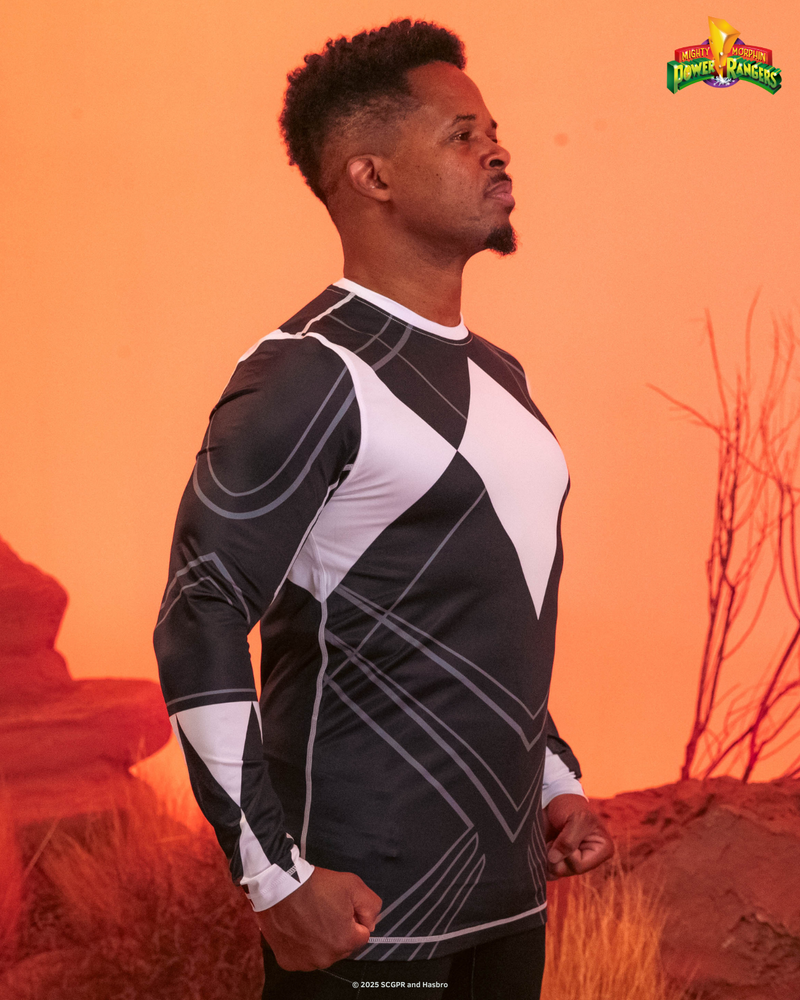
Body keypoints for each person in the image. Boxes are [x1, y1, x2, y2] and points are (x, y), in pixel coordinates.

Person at [154, 19, 613, 1000]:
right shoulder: (307, 373)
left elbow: (482, 611)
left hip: (509, 904)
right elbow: (198, 615)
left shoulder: (503, 377)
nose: (496, 150)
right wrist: (273, 878)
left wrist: (554, 783)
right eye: (461, 133)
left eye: (496, 131)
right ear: (371, 176)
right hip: (362, 912)